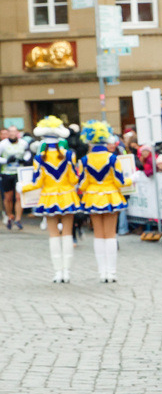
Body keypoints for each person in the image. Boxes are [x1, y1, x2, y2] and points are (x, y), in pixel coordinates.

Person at [20, 117, 82, 282]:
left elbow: (36, 183)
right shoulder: (69, 155)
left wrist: (22, 187)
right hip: (67, 196)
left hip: (48, 198)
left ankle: (58, 273)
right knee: (67, 233)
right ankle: (67, 272)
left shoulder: (39, 158)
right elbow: (74, 180)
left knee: (53, 234)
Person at [79, 121, 128, 283]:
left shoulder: (85, 160)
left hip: (93, 197)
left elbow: (82, 184)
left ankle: (102, 273)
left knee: (98, 235)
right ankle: (111, 273)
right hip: (111, 197)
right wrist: (132, 179)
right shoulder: (113, 158)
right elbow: (120, 182)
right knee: (111, 234)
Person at [1, 126, 32, 230]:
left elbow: (28, 154)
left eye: (14, 132)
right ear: (8, 134)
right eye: (10, 132)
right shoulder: (3, 144)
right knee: (8, 197)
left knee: (19, 197)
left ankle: (18, 219)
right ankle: (10, 215)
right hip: (7, 173)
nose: (12, 134)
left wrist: (24, 160)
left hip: (19, 173)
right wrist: (6, 160)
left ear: (17, 133)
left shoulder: (23, 143)